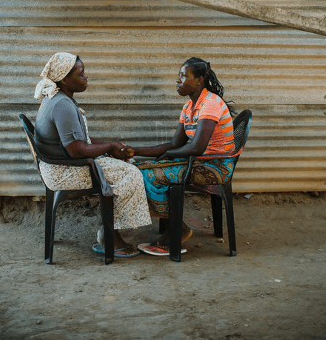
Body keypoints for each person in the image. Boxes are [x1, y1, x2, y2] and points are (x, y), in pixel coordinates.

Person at [34, 52, 151, 258]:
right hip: (64, 171)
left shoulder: (59, 98)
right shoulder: (62, 105)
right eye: (81, 74)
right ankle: (111, 238)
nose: (86, 76)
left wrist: (111, 145)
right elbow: (76, 149)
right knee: (130, 173)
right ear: (64, 79)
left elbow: (81, 140)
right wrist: (109, 147)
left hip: (59, 165)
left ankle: (110, 232)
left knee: (123, 163)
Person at [129, 57, 236, 256]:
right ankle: (174, 226)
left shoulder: (210, 104)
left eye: (183, 76)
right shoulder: (189, 108)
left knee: (151, 175)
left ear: (199, 80)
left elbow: (196, 147)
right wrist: (134, 150)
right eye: (179, 75)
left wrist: (167, 155)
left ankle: (178, 231)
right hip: (198, 161)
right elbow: (174, 144)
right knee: (144, 168)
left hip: (216, 166)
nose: (178, 80)